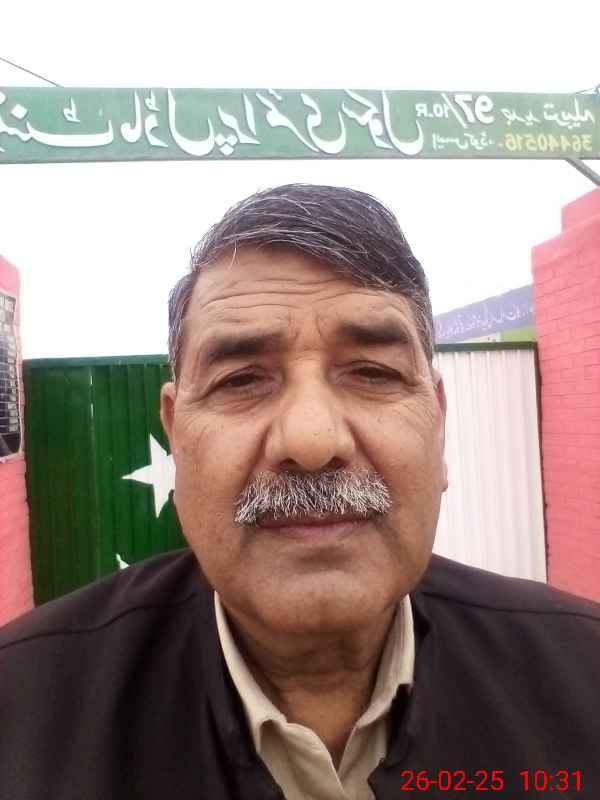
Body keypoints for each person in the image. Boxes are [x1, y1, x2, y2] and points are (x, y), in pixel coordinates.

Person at [0, 184, 599, 799]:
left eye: (373, 372)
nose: (312, 441)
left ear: (438, 422)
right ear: (176, 436)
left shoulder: (584, 678)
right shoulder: (21, 711)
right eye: (241, 380)